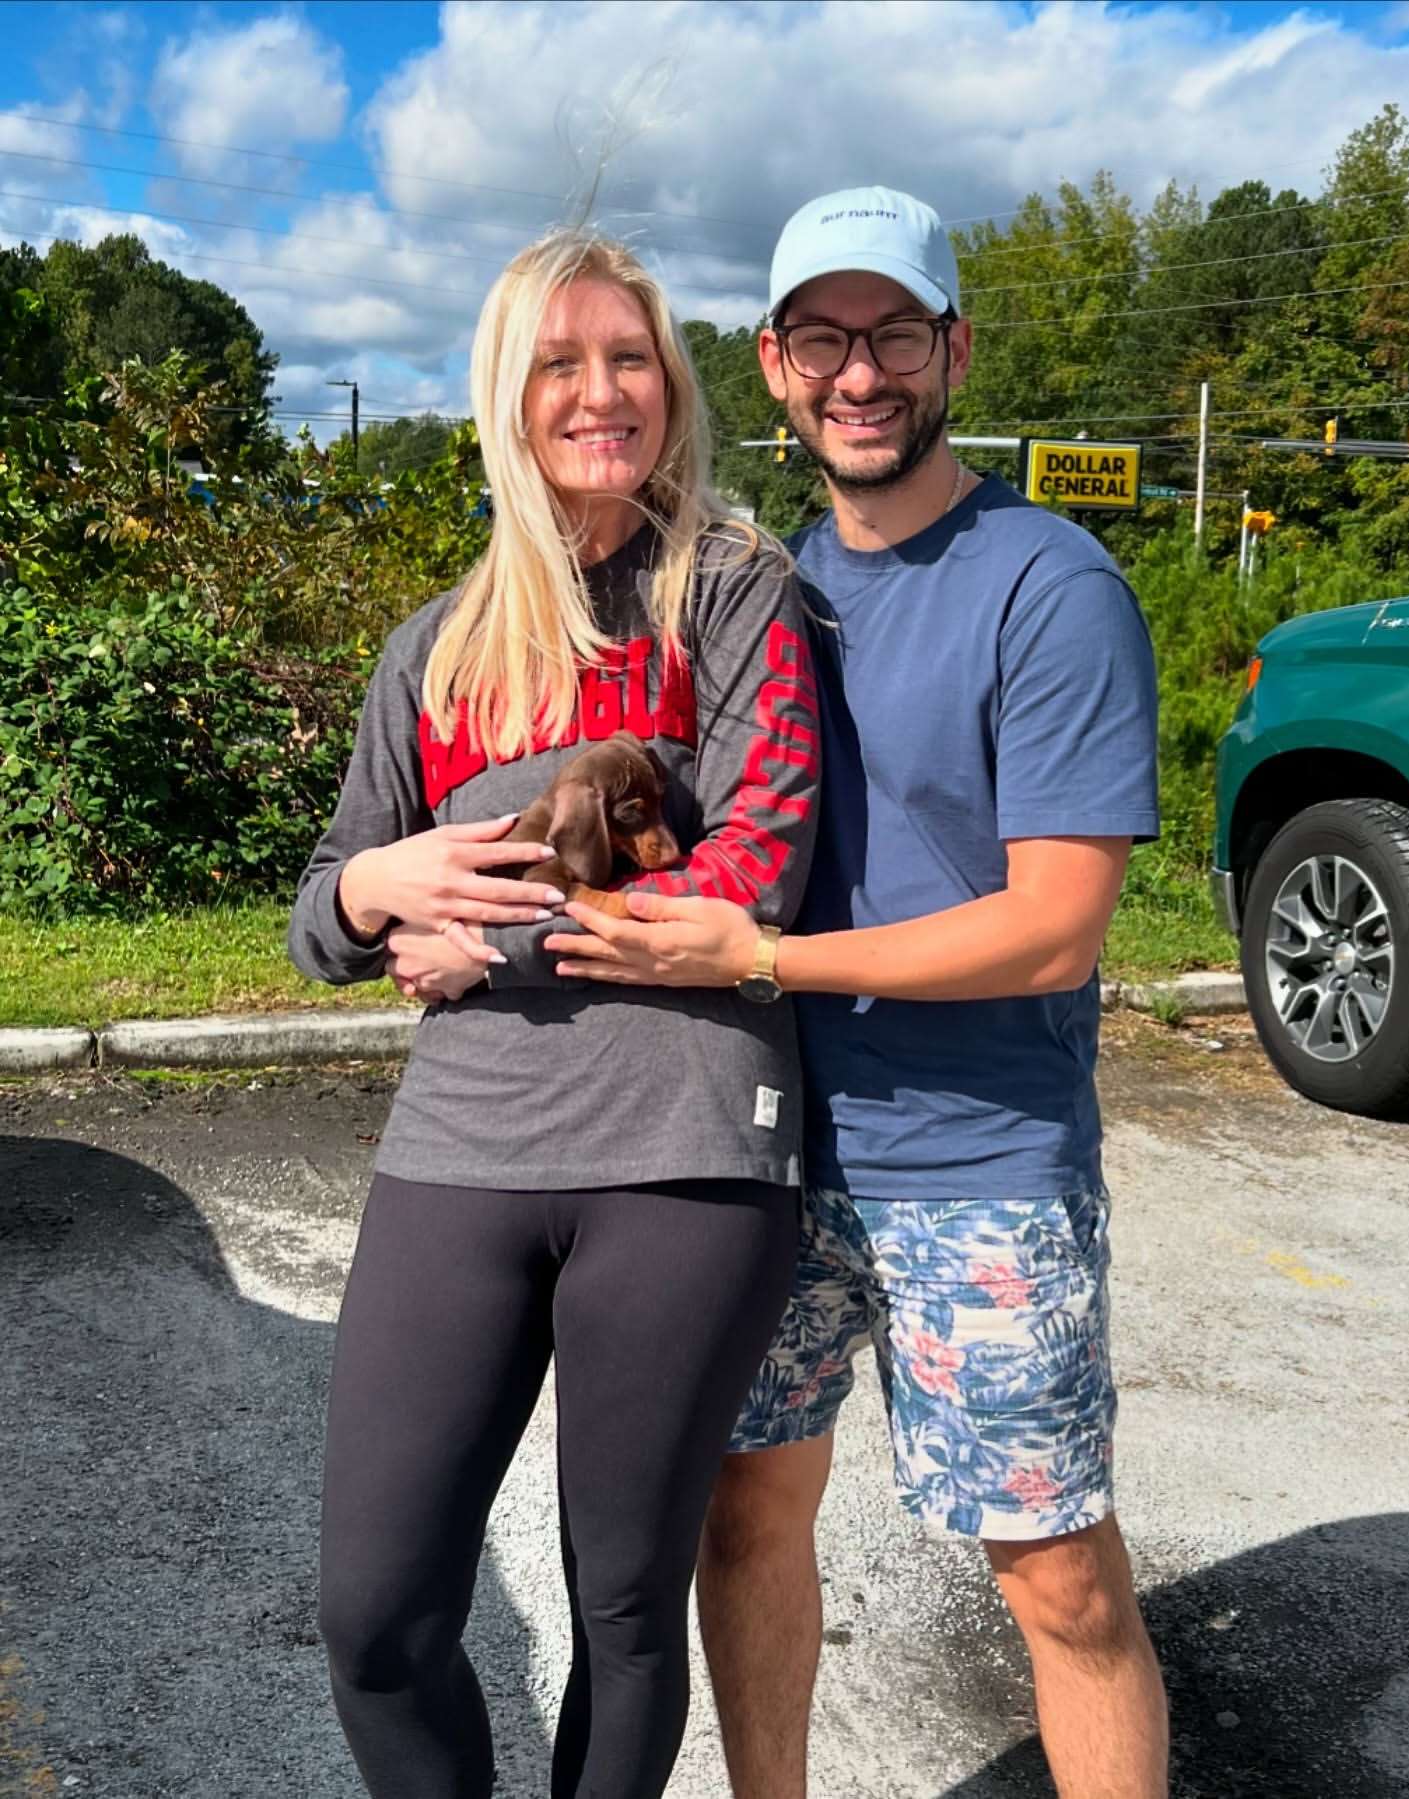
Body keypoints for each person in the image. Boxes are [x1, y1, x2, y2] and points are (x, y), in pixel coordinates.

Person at [548, 188, 1170, 1797]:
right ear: (768, 365)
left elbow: (1054, 929)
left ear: (953, 347)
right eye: (821, 336)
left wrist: (754, 957)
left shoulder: (1051, 584)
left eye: (894, 331)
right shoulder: (754, 593)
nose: (860, 371)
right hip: (760, 1154)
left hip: (980, 1163)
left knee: (1053, 1573)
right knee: (746, 1516)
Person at [288, 229, 820, 1799]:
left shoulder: (734, 595)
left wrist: (492, 940)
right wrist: (382, 884)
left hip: (687, 1149)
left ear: (675, 383)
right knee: (375, 1613)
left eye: (633, 357)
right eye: (560, 364)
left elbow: (753, 875)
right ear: (506, 400)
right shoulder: (437, 651)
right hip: (460, 1147)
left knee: (625, 1604)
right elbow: (325, 915)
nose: (603, 394)